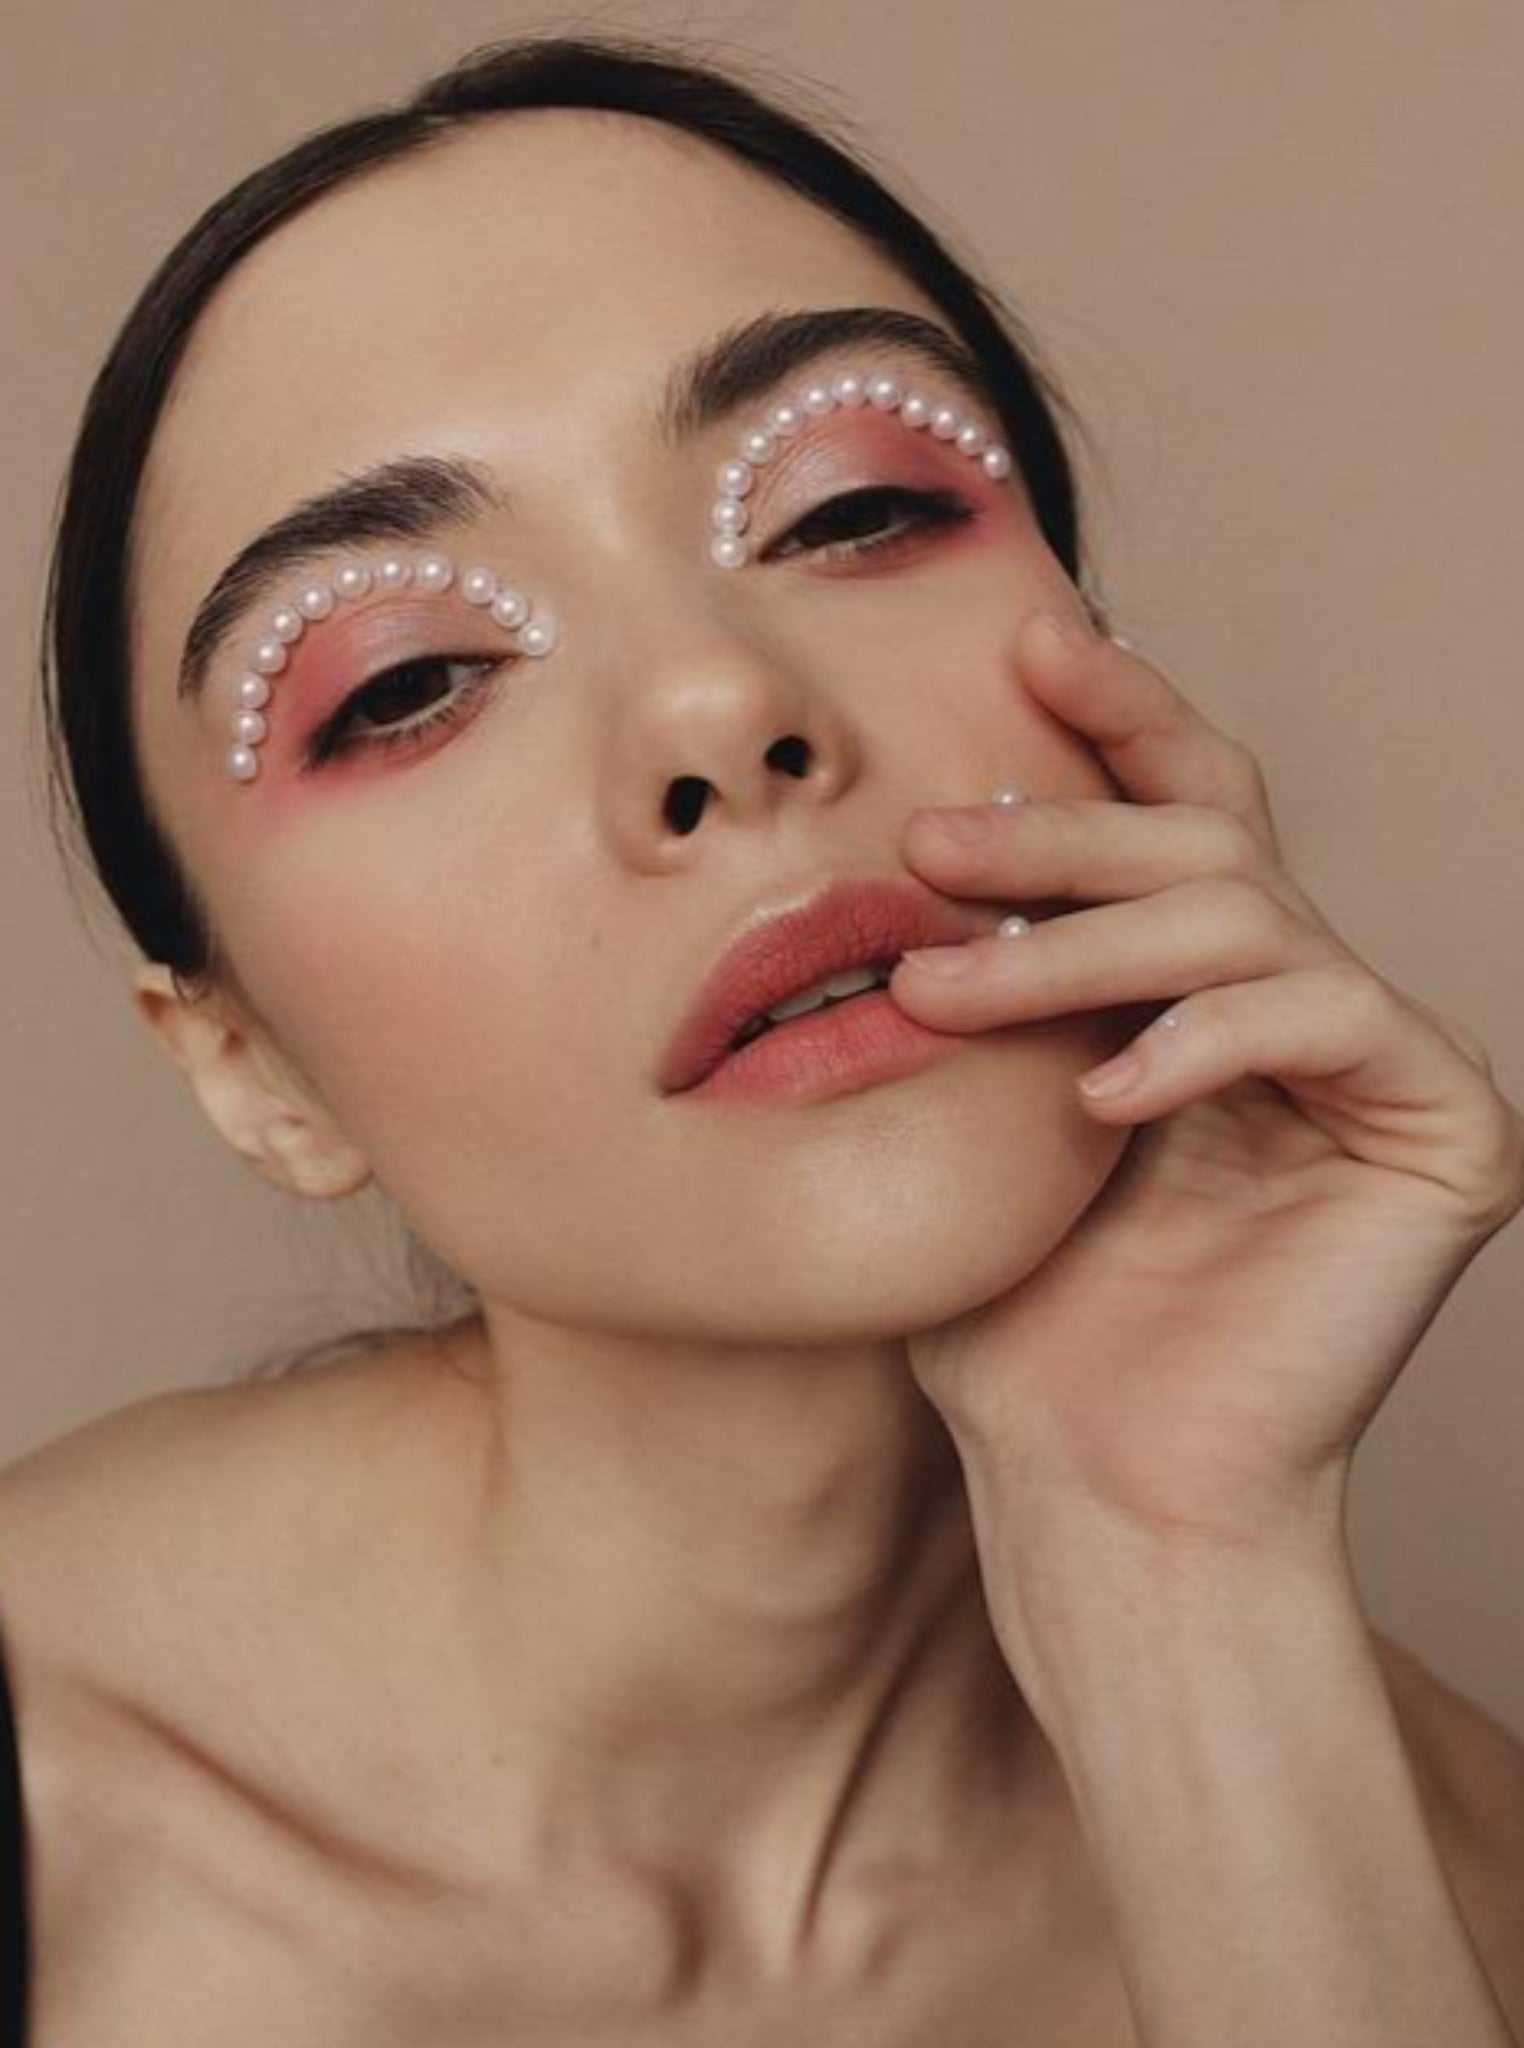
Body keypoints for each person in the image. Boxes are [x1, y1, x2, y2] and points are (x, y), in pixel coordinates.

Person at [4, 28, 1522, 2045]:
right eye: (408, 681)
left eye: (851, 509)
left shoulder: (1438, 1919)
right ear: (249, 1070)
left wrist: (1177, 1573)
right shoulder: (71, 1803)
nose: (719, 704)